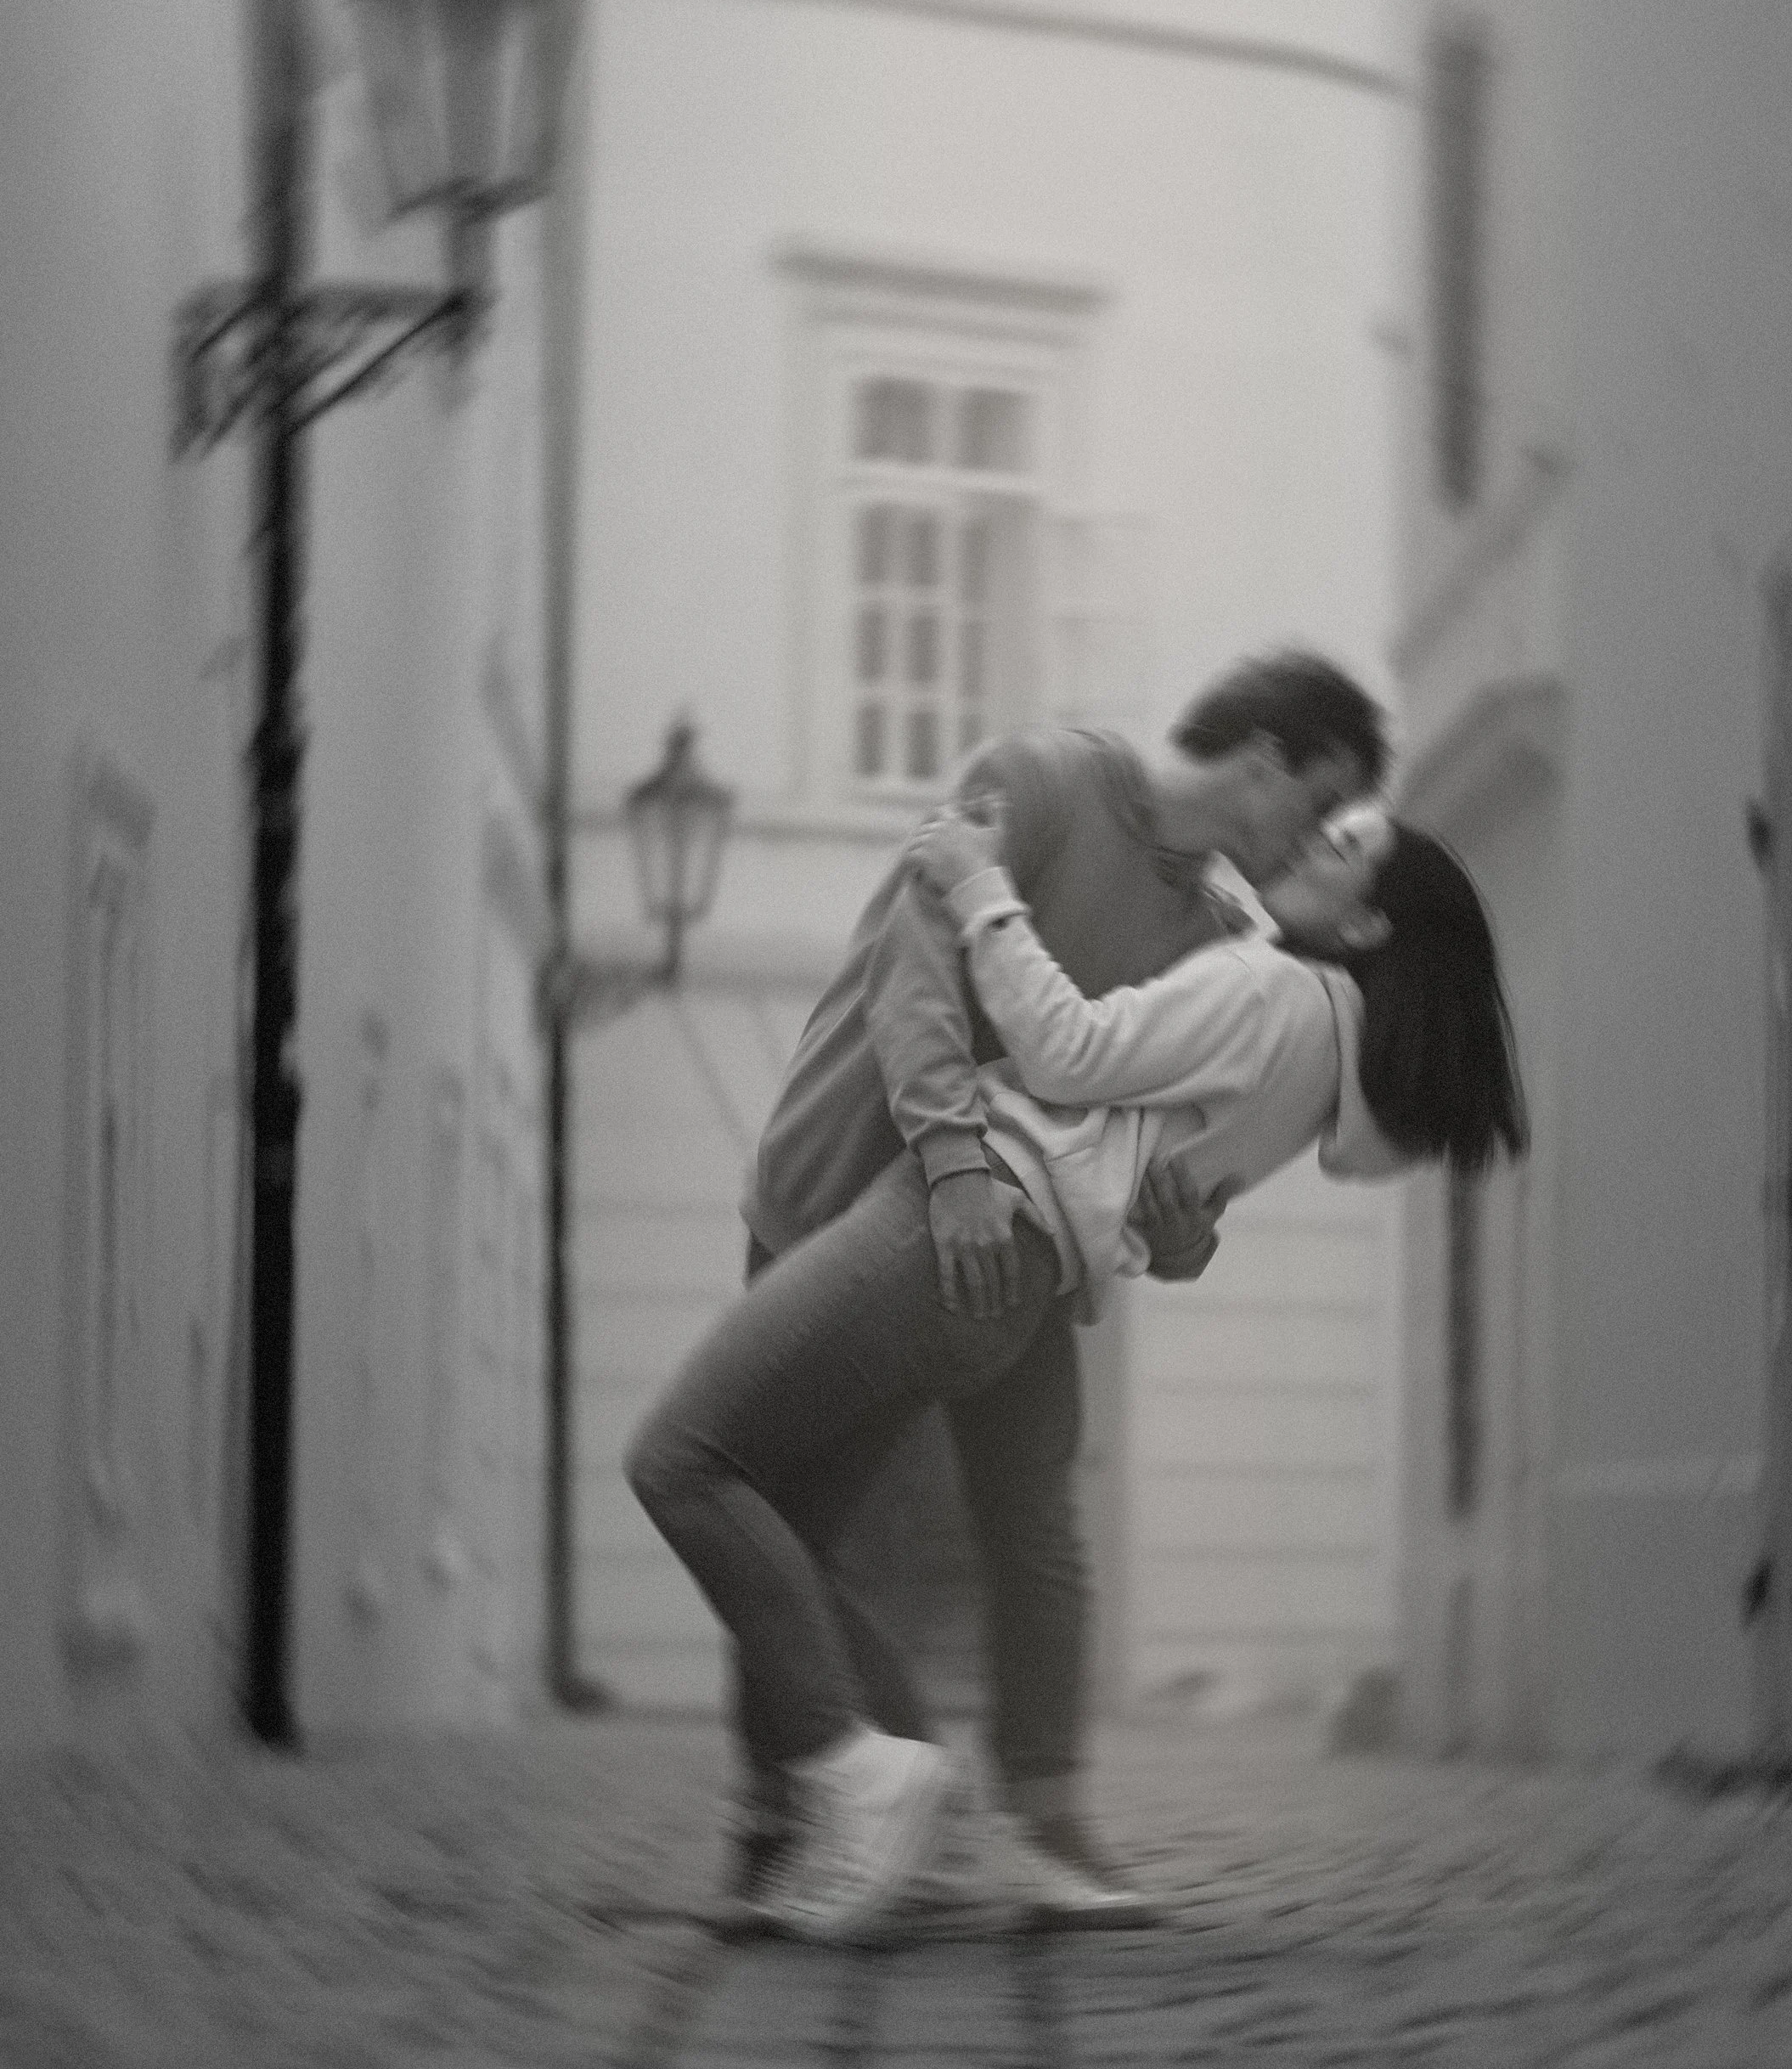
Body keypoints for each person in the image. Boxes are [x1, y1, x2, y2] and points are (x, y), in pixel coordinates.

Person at [624, 791, 1528, 1941]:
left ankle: (851, 1767)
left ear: (1365, 928)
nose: (1307, 841)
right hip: (1023, 1290)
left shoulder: (1269, 992)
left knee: (681, 1462)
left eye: (1345, 848)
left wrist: (976, 879)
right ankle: (930, 1837)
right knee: (789, 1530)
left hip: (954, 1224)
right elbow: (1164, 1205)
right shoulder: (1323, 1049)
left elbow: (1070, 1048)